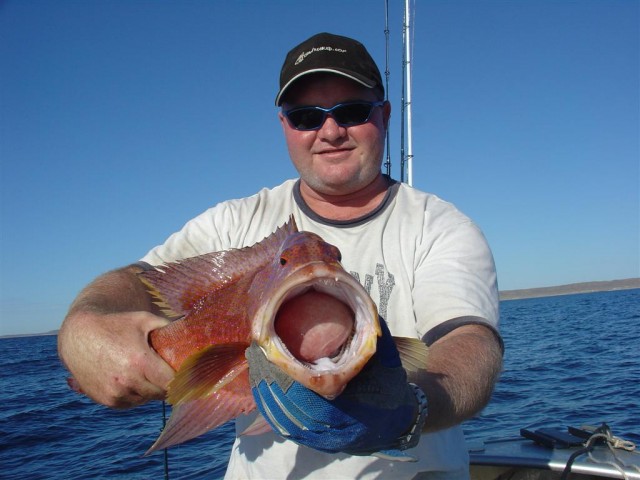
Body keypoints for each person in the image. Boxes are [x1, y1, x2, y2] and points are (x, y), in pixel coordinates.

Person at [58, 32, 503, 479]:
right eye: (306, 116)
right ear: (285, 127)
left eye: (351, 111)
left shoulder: (437, 225)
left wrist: (411, 407)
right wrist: (84, 326)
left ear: (384, 116)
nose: (330, 131)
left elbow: (470, 344)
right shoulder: (233, 223)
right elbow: (136, 283)